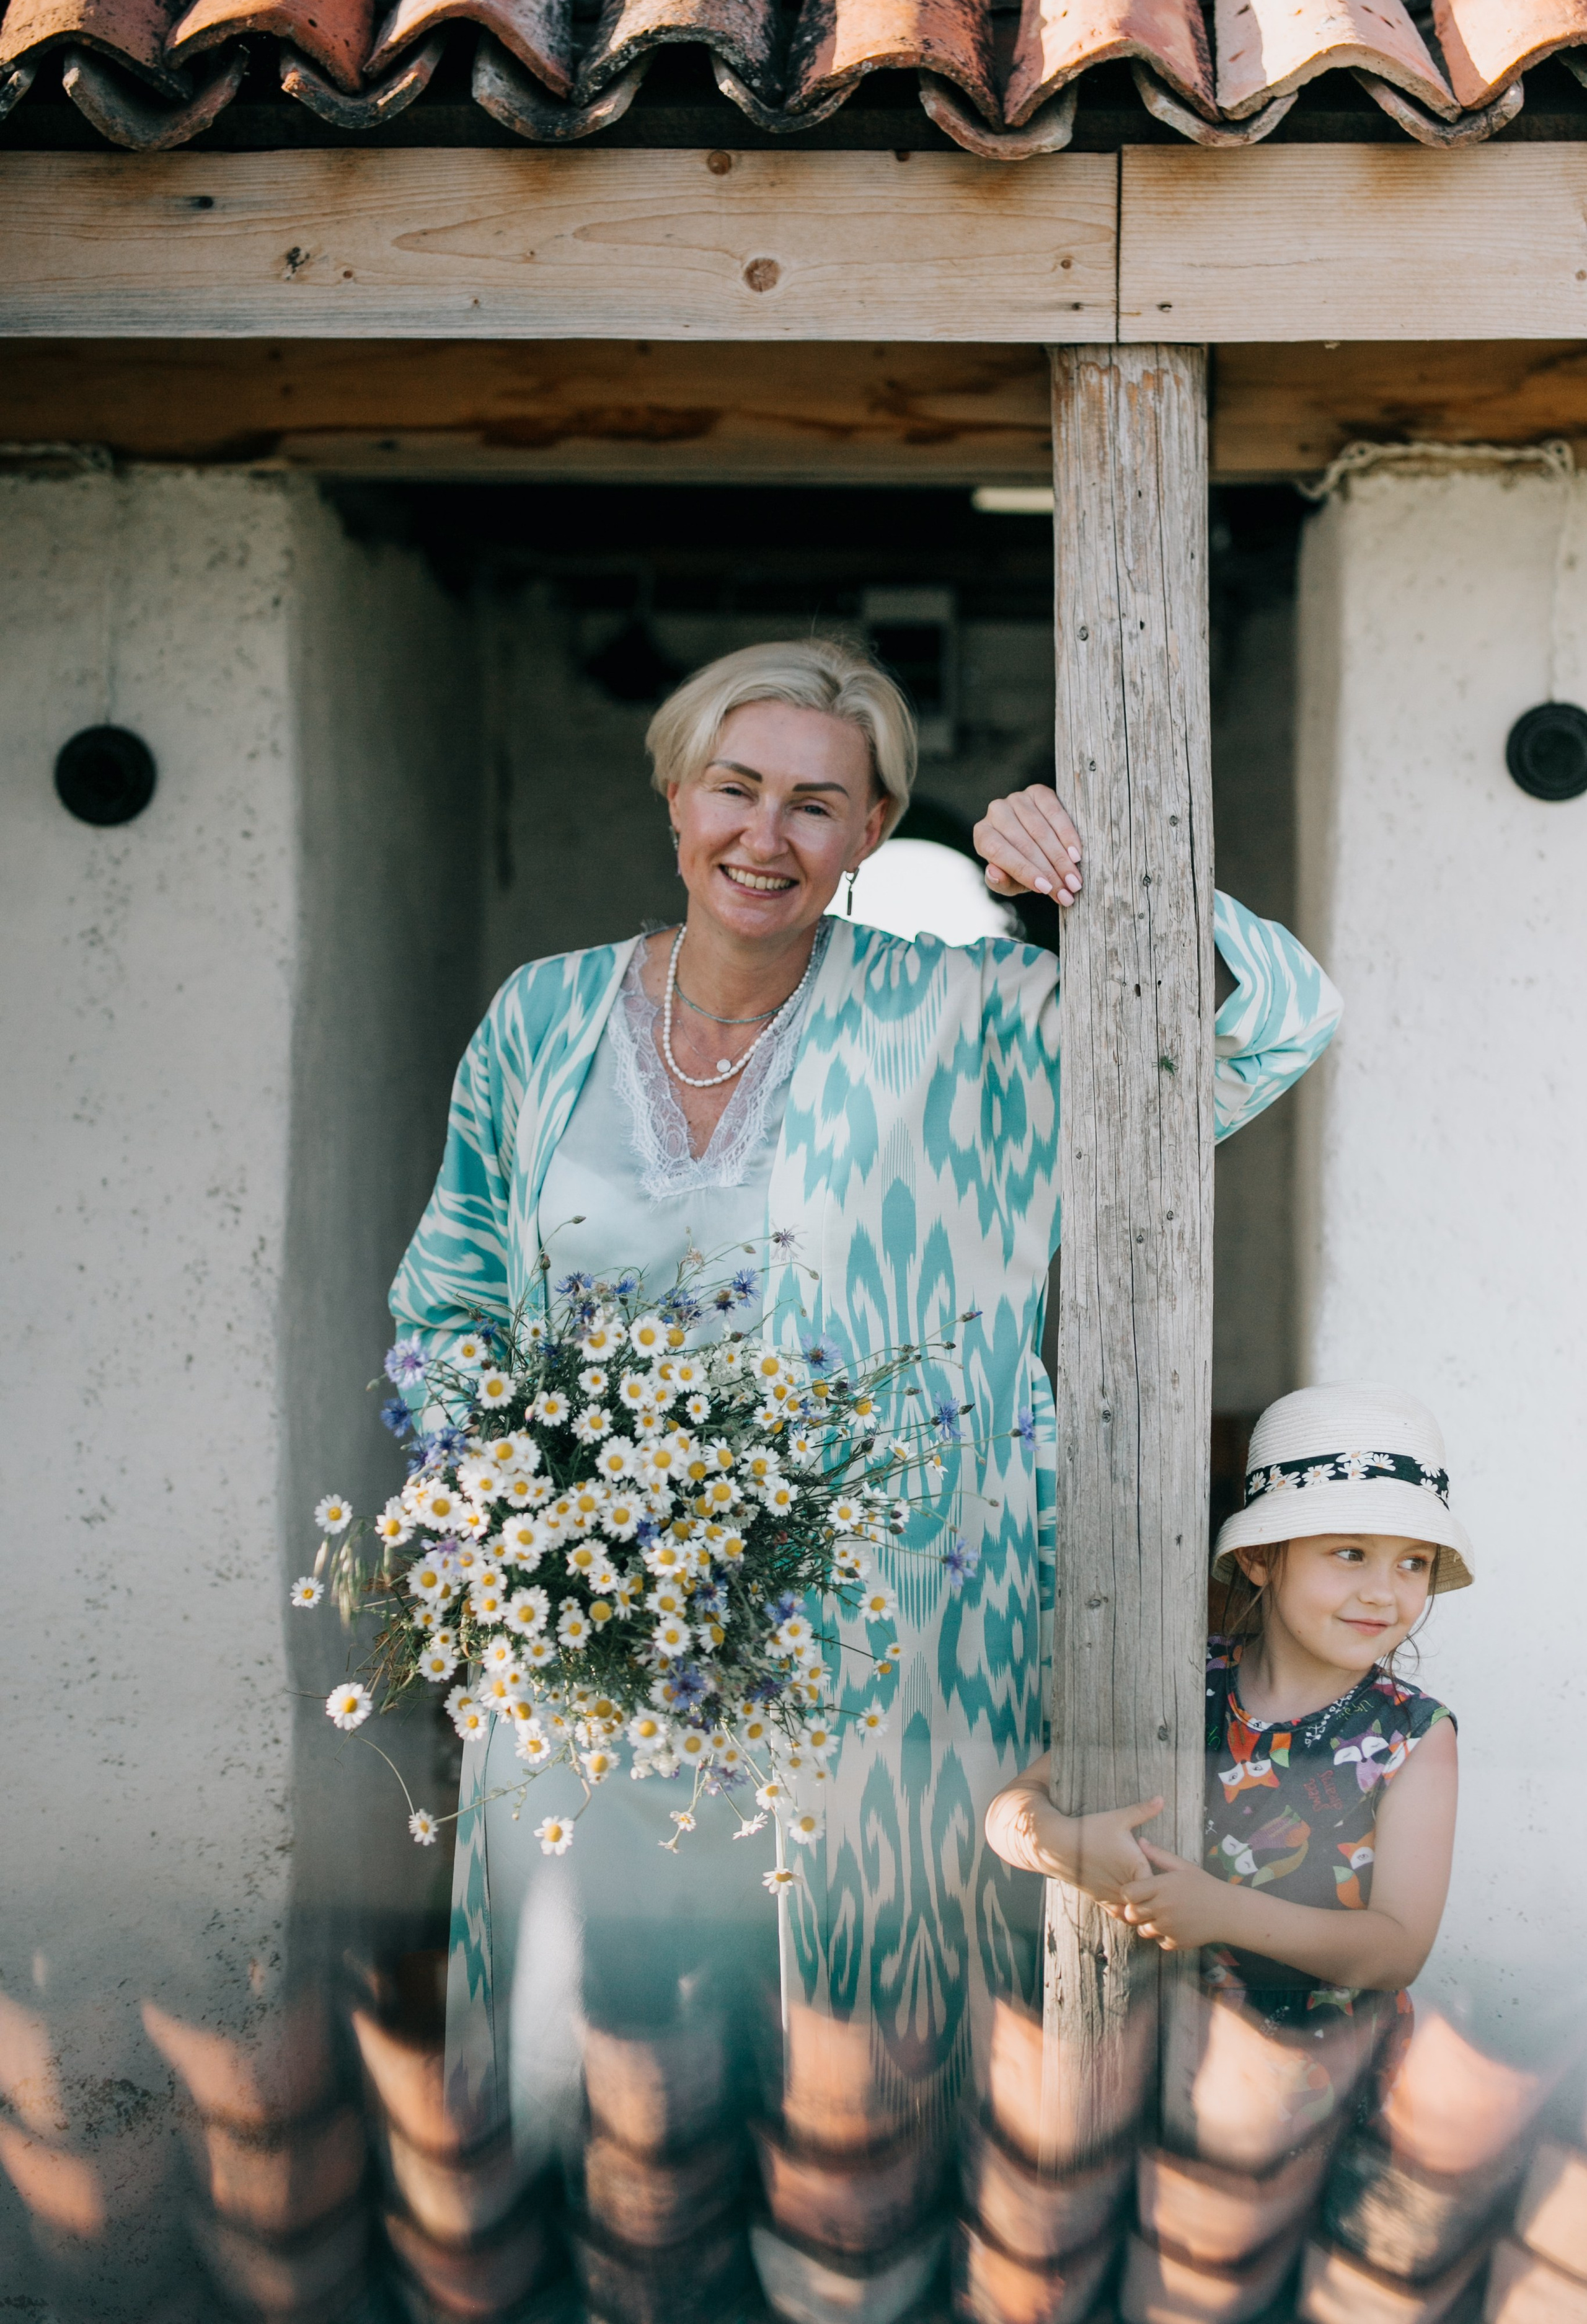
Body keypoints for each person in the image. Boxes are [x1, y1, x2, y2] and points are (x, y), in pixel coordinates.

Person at [387, 637, 1343, 2162]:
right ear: (673, 796)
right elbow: (444, 1306)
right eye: (734, 788)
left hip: (875, 1630)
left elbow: (1264, 1022)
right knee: (601, 2041)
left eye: (816, 804)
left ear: (875, 829)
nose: (764, 835)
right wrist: (512, 1534)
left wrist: (1099, 880)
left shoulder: (958, 1016)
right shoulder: (541, 1017)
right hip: (587, 1633)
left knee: (848, 2070)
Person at [987, 1386, 1469, 2090]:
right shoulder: (1182, 1685)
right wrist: (1056, 1842)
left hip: (1314, 2094)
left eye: (1412, 1563)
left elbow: (1395, 1950)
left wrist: (1223, 1913)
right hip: (1132, 2074)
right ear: (1259, 1559)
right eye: (1350, 1552)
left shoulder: (1413, 1736)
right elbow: (1011, 1806)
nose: (1383, 1592)